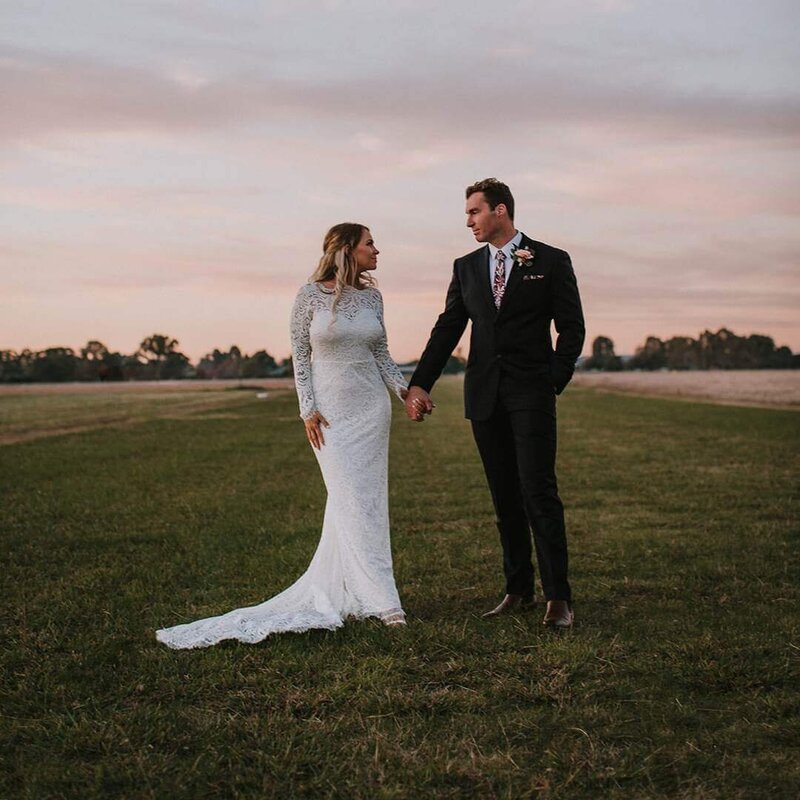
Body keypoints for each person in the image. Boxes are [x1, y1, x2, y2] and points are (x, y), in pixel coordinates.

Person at [156, 223, 408, 649]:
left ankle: (374, 595)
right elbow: (301, 356)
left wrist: (404, 392)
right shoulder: (309, 295)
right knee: (348, 497)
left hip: (371, 410)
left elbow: (381, 353)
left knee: (365, 500)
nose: (376, 250)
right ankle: (380, 599)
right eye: (370, 243)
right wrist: (306, 408)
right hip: (330, 417)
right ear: (347, 249)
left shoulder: (373, 297)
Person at [405, 179, 585, 629]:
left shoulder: (550, 259)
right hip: (484, 395)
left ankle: (558, 597)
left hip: (532, 392)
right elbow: (447, 328)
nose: (468, 221)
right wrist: (419, 384)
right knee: (504, 496)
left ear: (500, 211)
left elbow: (572, 327)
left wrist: (553, 379)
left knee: (538, 491)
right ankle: (518, 589)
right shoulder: (465, 267)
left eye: (474, 212)